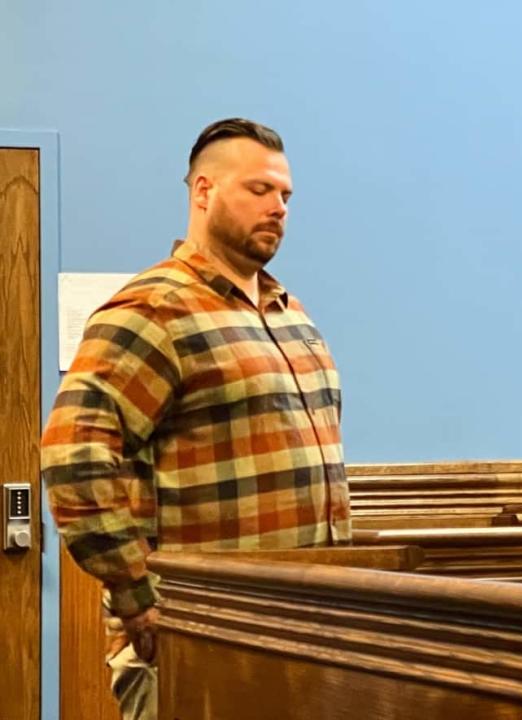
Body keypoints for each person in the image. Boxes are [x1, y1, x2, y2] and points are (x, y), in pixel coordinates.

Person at [41, 118, 351, 719]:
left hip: (300, 637)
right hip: (201, 640)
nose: (279, 208)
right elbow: (73, 456)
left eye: (286, 195)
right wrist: (138, 599)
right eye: (259, 190)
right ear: (204, 192)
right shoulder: (154, 308)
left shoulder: (289, 313)